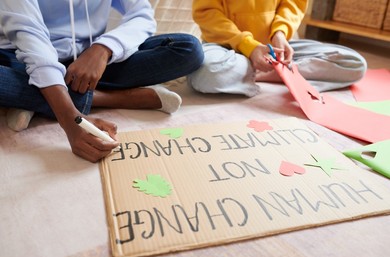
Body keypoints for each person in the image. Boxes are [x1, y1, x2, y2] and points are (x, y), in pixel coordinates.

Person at [0, 0, 204, 162]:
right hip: (21, 57)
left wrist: (103, 49)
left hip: (86, 64)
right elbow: (31, 39)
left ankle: (36, 97)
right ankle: (110, 98)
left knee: (188, 49)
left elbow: (142, 16)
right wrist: (70, 119)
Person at [187, 0, 367, 97]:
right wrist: (249, 46)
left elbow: (293, 4)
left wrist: (280, 33)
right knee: (206, 75)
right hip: (225, 47)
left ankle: (267, 71)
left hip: (274, 47)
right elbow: (207, 14)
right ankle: (275, 72)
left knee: (354, 64)